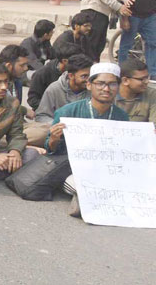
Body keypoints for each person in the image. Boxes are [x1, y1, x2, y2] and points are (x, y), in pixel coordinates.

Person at [46, 63, 130, 202]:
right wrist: (54, 138)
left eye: (112, 84)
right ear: (89, 85)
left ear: (118, 87)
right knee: (85, 188)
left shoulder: (121, 116)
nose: (106, 89)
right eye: (100, 83)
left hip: (107, 171)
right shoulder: (68, 112)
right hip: (72, 170)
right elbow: (51, 151)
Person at [27, 42, 82, 110]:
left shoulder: (77, 73)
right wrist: (54, 107)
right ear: (65, 61)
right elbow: (33, 100)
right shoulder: (42, 74)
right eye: (76, 61)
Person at [115, 58, 156, 124]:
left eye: (147, 77)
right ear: (125, 80)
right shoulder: (109, 95)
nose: (147, 81)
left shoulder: (153, 95)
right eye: (141, 79)